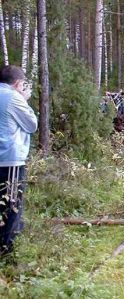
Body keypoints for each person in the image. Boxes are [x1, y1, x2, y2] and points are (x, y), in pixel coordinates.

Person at [0, 65, 37, 256]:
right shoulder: (14, 98)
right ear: (17, 83)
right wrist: (24, 99)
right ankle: (7, 251)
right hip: (9, 160)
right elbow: (31, 124)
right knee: (12, 206)